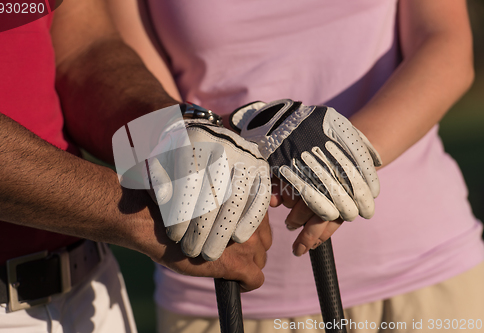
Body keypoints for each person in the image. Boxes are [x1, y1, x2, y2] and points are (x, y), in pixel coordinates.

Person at [132, 0, 484, 332]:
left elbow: (446, 47)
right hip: (221, 288)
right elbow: (123, 89)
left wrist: (341, 156)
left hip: (426, 274)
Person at [0, 0, 272, 331]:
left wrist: (176, 138)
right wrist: (139, 217)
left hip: (90, 287)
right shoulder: (136, 219)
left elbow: (81, 50)